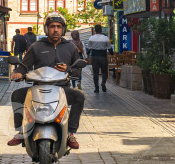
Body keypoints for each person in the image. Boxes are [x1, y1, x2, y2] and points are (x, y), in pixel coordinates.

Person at [8, 12, 86, 150]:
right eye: (52, 26)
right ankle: (21, 131)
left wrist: (68, 69)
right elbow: (24, 66)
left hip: (62, 89)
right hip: (38, 88)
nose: (55, 29)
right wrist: (18, 72)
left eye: (58, 26)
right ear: (46, 28)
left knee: (79, 96)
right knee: (17, 95)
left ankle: (70, 132)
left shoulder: (71, 47)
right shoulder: (37, 46)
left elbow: (77, 70)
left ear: (63, 29)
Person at [87, 24, 113, 93]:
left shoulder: (91, 38)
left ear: (95, 30)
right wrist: (112, 54)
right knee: (105, 72)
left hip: (94, 57)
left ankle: (96, 88)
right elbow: (110, 48)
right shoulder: (105, 38)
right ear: (101, 30)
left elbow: (89, 49)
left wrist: (87, 54)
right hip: (103, 57)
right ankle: (103, 83)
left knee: (95, 73)